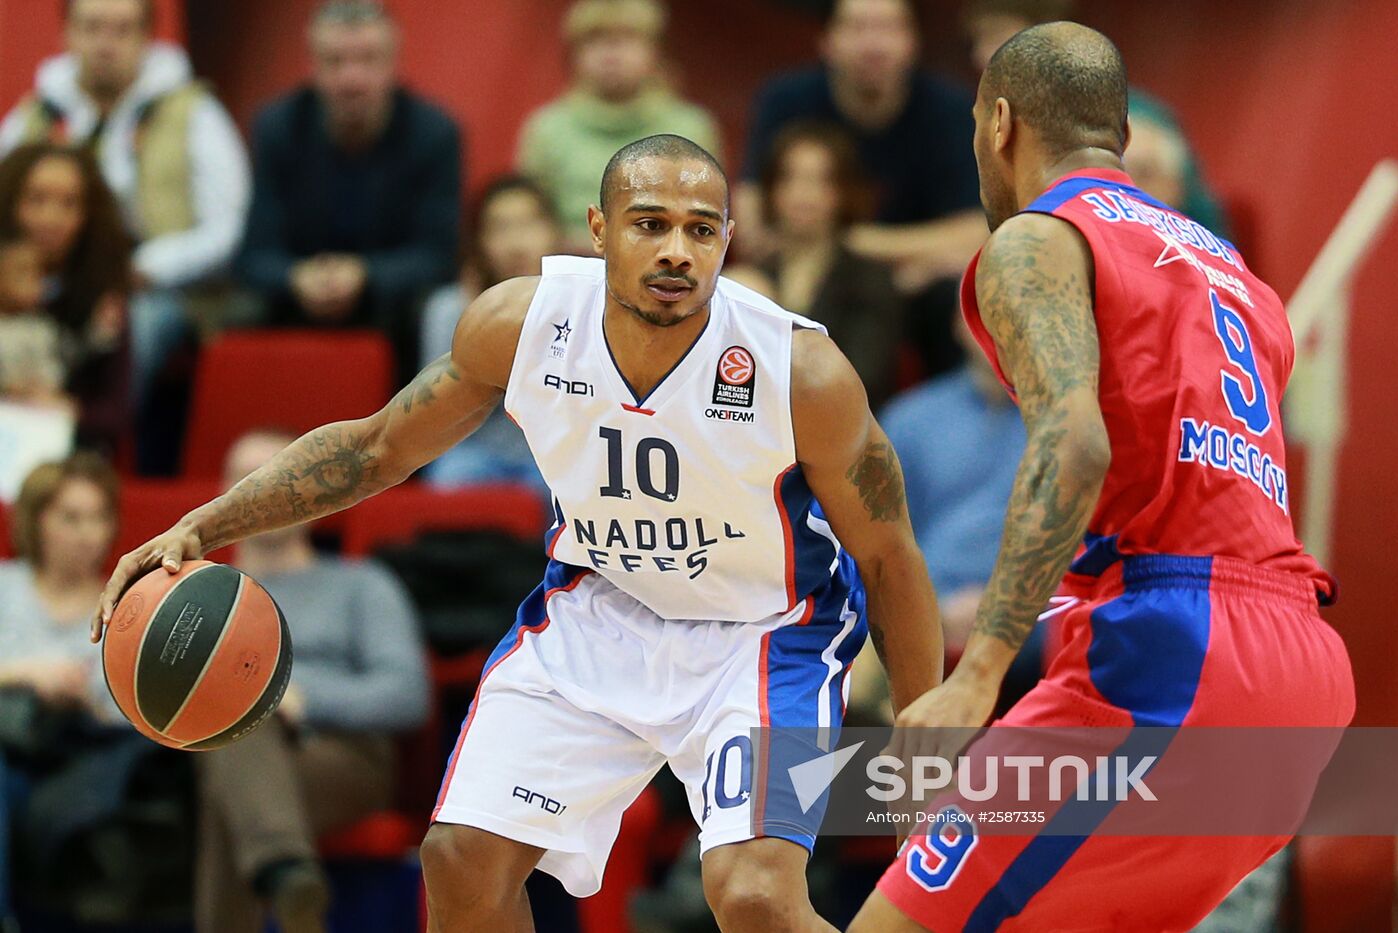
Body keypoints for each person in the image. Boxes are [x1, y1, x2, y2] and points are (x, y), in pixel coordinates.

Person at [94, 133, 946, 932]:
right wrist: (204, 525)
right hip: (598, 611)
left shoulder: (800, 370)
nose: (677, 252)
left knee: (753, 894)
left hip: (765, 633)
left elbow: (887, 553)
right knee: (460, 860)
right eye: (650, 225)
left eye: (701, 230)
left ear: (729, 239)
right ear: (599, 229)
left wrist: (920, 734)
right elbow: (376, 447)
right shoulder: (522, 324)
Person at [850, 23, 1354, 931]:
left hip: (1170, 652)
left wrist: (979, 678)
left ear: (999, 123)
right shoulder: (1239, 276)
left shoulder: (1041, 238)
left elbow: (1075, 445)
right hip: (1300, 668)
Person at [194, 428, 428, 933]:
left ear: (313, 492)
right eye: (244, 479)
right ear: (219, 497)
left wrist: (301, 698)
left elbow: (408, 694)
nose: (259, 491)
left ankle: (284, 871)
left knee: (235, 748)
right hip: (222, 759)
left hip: (342, 755)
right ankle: (288, 878)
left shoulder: (361, 583)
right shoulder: (197, 599)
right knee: (236, 737)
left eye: (277, 477)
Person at [0, 0, 251, 408]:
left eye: (121, 30)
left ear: (147, 38)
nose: (105, 44)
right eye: (93, 28)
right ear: (67, 34)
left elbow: (228, 227)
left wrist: (146, 268)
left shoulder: (194, 112)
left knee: (138, 325)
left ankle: (98, 430)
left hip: (158, 289)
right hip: (49, 285)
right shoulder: (33, 118)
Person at [236, 0, 462, 378]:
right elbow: (253, 256)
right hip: (295, 302)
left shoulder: (434, 133)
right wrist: (297, 277)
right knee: (239, 311)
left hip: (394, 312)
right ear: (313, 66)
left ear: (393, 64)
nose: (351, 79)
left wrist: (365, 275)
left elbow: (439, 257)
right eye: (335, 61)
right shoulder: (277, 128)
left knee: (440, 308)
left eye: (367, 60)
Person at [739, 0, 986, 292]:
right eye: (857, 27)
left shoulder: (951, 110)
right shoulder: (785, 101)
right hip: (804, 270)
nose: (873, 45)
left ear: (914, 40)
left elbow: (975, 231)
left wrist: (852, 244)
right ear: (826, 40)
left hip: (912, 284)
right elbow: (750, 213)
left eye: (888, 28)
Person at [962, 0, 1231, 234]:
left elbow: (1138, 234)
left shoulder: (1132, 117)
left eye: (994, 36)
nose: (980, 55)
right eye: (979, 40)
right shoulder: (1011, 124)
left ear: (1045, 34)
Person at [0, 454, 122, 929]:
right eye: (71, 518)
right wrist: (25, 674)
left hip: (82, 757)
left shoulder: (126, 609)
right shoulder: (5, 587)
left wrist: (87, 701)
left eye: (99, 518)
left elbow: (137, 719)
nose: (88, 534)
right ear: (36, 521)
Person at [516, 0, 722, 249]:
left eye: (626, 39)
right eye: (595, 40)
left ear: (656, 50)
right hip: (569, 265)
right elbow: (528, 222)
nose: (610, 54)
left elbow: (706, 222)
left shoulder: (691, 128)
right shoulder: (547, 130)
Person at [879, 316, 1025, 662]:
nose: (1006, 327)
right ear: (962, 324)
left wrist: (1012, 610)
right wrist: (932, 607)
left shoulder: (1077, 426)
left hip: (1043, 621)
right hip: (923, 615)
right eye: (992, 312)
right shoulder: (909, 420)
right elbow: (879, 545)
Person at [420, 176, 557, 493]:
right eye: (500, 228)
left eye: (528, 224)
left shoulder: (582, 303)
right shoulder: (450, 308)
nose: (516, 242)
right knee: (448, 481)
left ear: (553, 231)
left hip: (551, 453)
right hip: (473, 449)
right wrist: (477, 325)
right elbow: (436, 408)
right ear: (479, 241)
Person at [757, 122, 905, 409]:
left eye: (818, 180)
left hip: (844, 432)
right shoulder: (755, 275)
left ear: (842, 192)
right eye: (790, 178)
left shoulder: (869, 279)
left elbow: (865, 377)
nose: (802, 193)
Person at [0, 143, 132, 452]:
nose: (52, 217)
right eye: (36, 199)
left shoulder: (103, 300)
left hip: (65, 453)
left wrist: (66, 408)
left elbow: (115, 412)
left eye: (69, 204)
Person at [0, 235, 67, 405]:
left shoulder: (43, 328)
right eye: (23, 271)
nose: (36, 281)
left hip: (35, 414)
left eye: (40, 273)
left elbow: (57, 365)